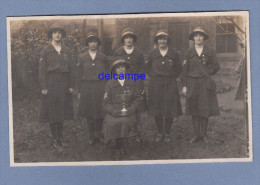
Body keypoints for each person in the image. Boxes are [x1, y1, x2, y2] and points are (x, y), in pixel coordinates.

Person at [181, 27, 220, 143]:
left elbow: (216, 66)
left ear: (204, 38)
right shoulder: (188, 52)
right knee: (194, 108)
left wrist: (207, 72)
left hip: (205, 83)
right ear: (193, 38)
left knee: (205, 108)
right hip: (192, 83)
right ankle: (196, 135)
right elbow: (184, 71)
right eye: (196, 35)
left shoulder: (210, 51)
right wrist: (184, 85)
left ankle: (204, 135)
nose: (198, 37)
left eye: (200, 35)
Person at [39, 24, 75, 149]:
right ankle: (55, 139)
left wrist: (71, 85)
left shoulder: (67, 51)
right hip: (51, 82)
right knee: (52, 112)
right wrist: (44, 86)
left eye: (59, 32)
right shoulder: (46, 50)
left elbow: (72, 69)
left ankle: (60, 138)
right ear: (51, 35)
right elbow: (42, 70)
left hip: (64, 83)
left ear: (62, 35)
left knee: (62, 111)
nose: (57, 34)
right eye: (55, 32)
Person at [146, 30, 183, 143]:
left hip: (169, 83)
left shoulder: (174, 53)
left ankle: (167, 133)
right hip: (156, 84)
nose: (162, 41)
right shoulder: (152, 54)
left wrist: (171, 77)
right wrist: (154, 76)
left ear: (167, 41)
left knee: (169, 109)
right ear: (157, 41)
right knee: (157, 108)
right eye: (160, 39)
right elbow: (147, 68)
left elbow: (178, 68)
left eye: (164, 38)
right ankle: (159, 132)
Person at [103, 57, 140, 160]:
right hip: (115, 111)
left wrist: (131, 109)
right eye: (118, 68)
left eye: (122, 67)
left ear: (125, 69)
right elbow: (105, 103)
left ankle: (119, 148)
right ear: (114, 70)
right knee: (112, 122)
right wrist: (113, 111)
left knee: (124, 122)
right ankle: (115, 143)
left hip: (128, 111)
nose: (120, 69)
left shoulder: (132, 82)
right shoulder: (110, 83)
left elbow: (137, 99)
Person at [114, 28, 146, 142]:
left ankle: (135, 130)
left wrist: (139, 82)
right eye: (126, 38)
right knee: (123, 104)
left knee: (136, 106)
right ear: (123, 40)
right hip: (123, 82)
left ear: (133, 40)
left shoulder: (139, 53)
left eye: (130, 38)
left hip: (136, 83)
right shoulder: (119, 52)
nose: (128, 40)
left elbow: (143, 69)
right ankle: (124, 131)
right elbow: (116, 68)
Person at [77, 32, 109, 145]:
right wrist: (79, 91)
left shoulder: (103, 57)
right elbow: (79, 75)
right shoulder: (82, 58)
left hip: (100, 86)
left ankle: (99, 134)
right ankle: (91, 135)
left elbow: (107, 74)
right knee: (89, 112)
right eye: (91, 42)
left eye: (95, 41)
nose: (93, 44)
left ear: (98, 43)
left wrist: (107, 90)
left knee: (100, 111)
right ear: (87, 44)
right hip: (87, 87)